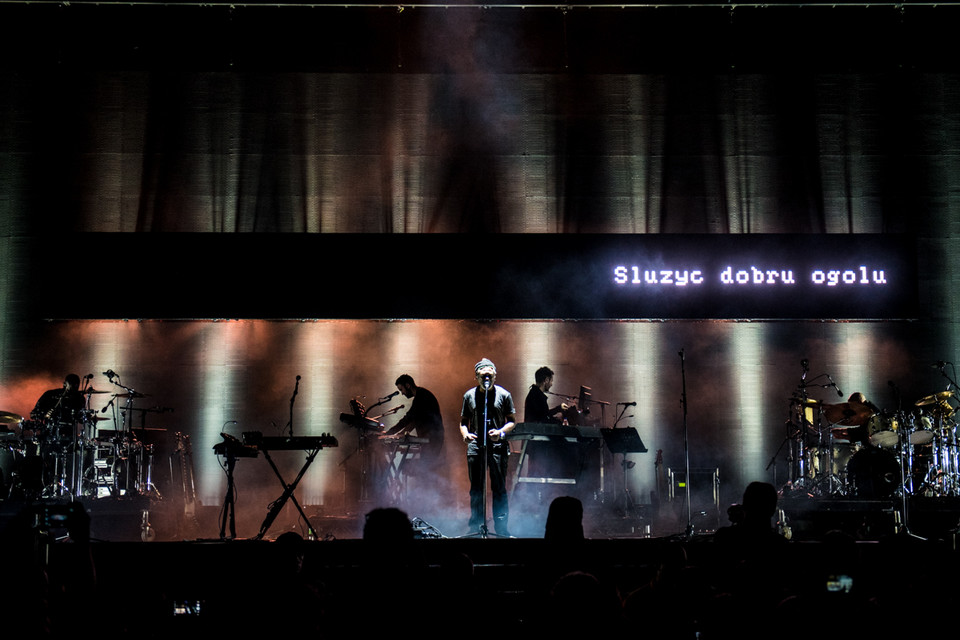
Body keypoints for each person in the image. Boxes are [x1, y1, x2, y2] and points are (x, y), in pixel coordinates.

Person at [460, 358, 516, 536]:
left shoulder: (504, 395)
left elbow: (512, 421)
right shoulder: (469, 395)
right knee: (476, 488)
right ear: (476, 376)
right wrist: (465, 434)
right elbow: (463, 422)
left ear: (495, 376)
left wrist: (500, 432)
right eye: (483, 376)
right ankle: (476, 525)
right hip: (476, 445)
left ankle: (501, 528)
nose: (487, 379)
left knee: (499, 488)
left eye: (490, 376)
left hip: (497, 445)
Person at [383, 374, 445, 470]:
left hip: (432, 439)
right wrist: (401, 433)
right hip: (432, 439)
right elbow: (415, 419)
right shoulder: (422, 395)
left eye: (401, 390)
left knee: (425, 472)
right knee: (424, 472)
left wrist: (389, 433)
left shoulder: (421, 396)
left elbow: (408, 418)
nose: (402, 393)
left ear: (408, 385)